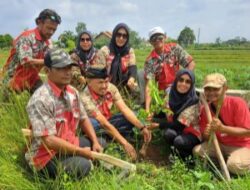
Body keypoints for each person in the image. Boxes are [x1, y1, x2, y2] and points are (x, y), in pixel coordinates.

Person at [25, 48, 105, 179]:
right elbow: (49, 140)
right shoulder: (41, 99)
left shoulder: (72, 92)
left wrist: (95, 142)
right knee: (84, 165)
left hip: (68, 143)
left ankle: (80, 156)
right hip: (45, 155)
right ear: (47, 70)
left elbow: (84, 119)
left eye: (69, 68)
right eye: (61, 68)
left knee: (100, 143)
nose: (67, 72)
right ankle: (44, 173)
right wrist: (79, 151)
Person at [80, 66, 152, 160]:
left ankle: (114, 137)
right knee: (93, 123)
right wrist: (124, 143)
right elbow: (104, 124)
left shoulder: (111, 88)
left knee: (133, 114)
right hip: (97, 126)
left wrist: (142, 127)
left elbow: (125, 109)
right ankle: (111, 139)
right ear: (89, 82)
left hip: (108, 121)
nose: (104, 86)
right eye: (100, 82)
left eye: (106, 81)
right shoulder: (84, 97)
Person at [193, 73, 250, 175]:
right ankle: (223, 163)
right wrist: (207, 133)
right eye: (208, 89)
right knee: (197, 151)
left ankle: (233, 162)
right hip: (220, 145)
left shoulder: (237, 103)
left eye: (216, 89)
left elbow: (248, 132)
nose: (211, 93)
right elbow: (205, 137)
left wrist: (223, 128)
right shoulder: (205, 109)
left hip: (242, 145)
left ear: (225, 89)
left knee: (235, 165)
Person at [2, 9, 61, 94]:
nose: (51, 32)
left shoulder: (49, 43)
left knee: (45, 95)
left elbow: (50, 63)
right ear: (39, 23)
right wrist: (50, 61)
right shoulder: (26, 37)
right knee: (8, 106)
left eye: (54, 30)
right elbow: (26, 62)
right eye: (49, 28)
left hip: (32, 79)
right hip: (13, 78)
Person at [150, 69, 201, 161]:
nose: (183, 84)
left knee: (179, 141)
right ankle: (175, 153)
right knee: (168, 134)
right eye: (181, 80)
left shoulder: (193, 102)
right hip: (177, 128)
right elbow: (164, 111)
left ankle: (188, 159)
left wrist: (158, 125)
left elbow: (179, 124)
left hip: (191, 132)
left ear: (191, 85)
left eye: (188, 82)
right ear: (176, 80)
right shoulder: (170, 94)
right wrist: (152, 115)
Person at [144, 26, 195, 116]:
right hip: (164, 92)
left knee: (192, 99)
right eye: (154, 39)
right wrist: (147, 109)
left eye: (160, 37)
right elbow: (149, 85)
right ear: (150, 42)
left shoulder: (175, 48)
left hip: (180, 83)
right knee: (170, 110)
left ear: (165, 37)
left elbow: (191, 63)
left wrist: (185, 80)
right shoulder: (150, 60)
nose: (157, 40)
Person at [100, 23, 138, 91]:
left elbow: (133, 67)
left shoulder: (129, 51)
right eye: (118, 35)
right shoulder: (105, 50)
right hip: (106, 86)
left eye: (124, 36)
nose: (121, 38)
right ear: (114, 35)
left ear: (127, 38)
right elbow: (99, 70)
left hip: (125, 86)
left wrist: (132, 78)